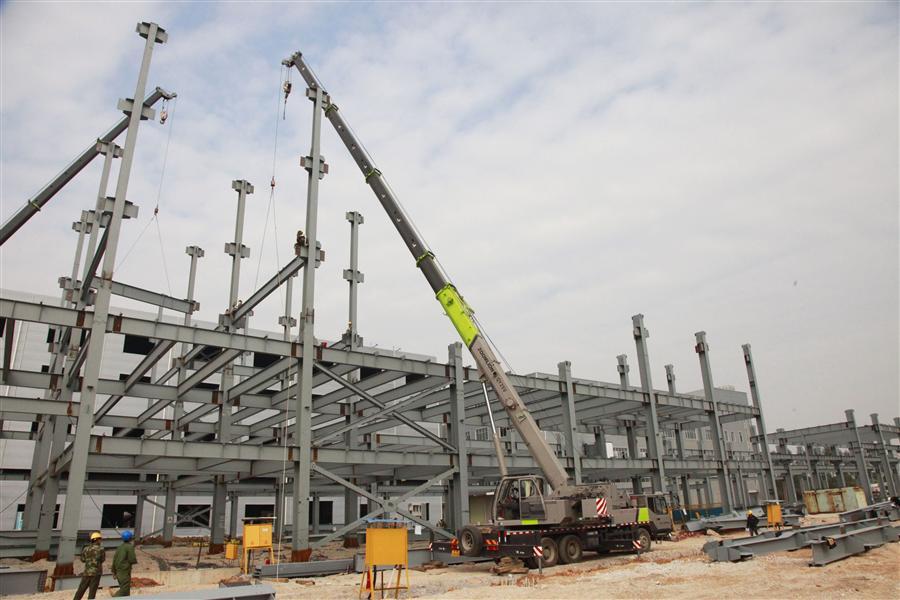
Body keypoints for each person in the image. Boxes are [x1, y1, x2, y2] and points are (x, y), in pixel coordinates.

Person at [73, 531, 105, 600]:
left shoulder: (86, 549)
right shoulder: (101, 549)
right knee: (92, 592)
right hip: (96, 573)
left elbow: (82, 559)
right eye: (100, 539)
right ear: (97, 539)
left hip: (86, 573)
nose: (100, 541)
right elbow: (102, 560)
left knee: (81, 590)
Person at [111, 530, 138, 597]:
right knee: (124, 590)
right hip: (124, 572)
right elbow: (132, 559)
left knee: (126, 591)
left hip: (118, 572)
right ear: (130, 538)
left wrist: (113, 571)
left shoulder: (120, 547)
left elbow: (114, 559)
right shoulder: (130, 547)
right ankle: (114, 597)